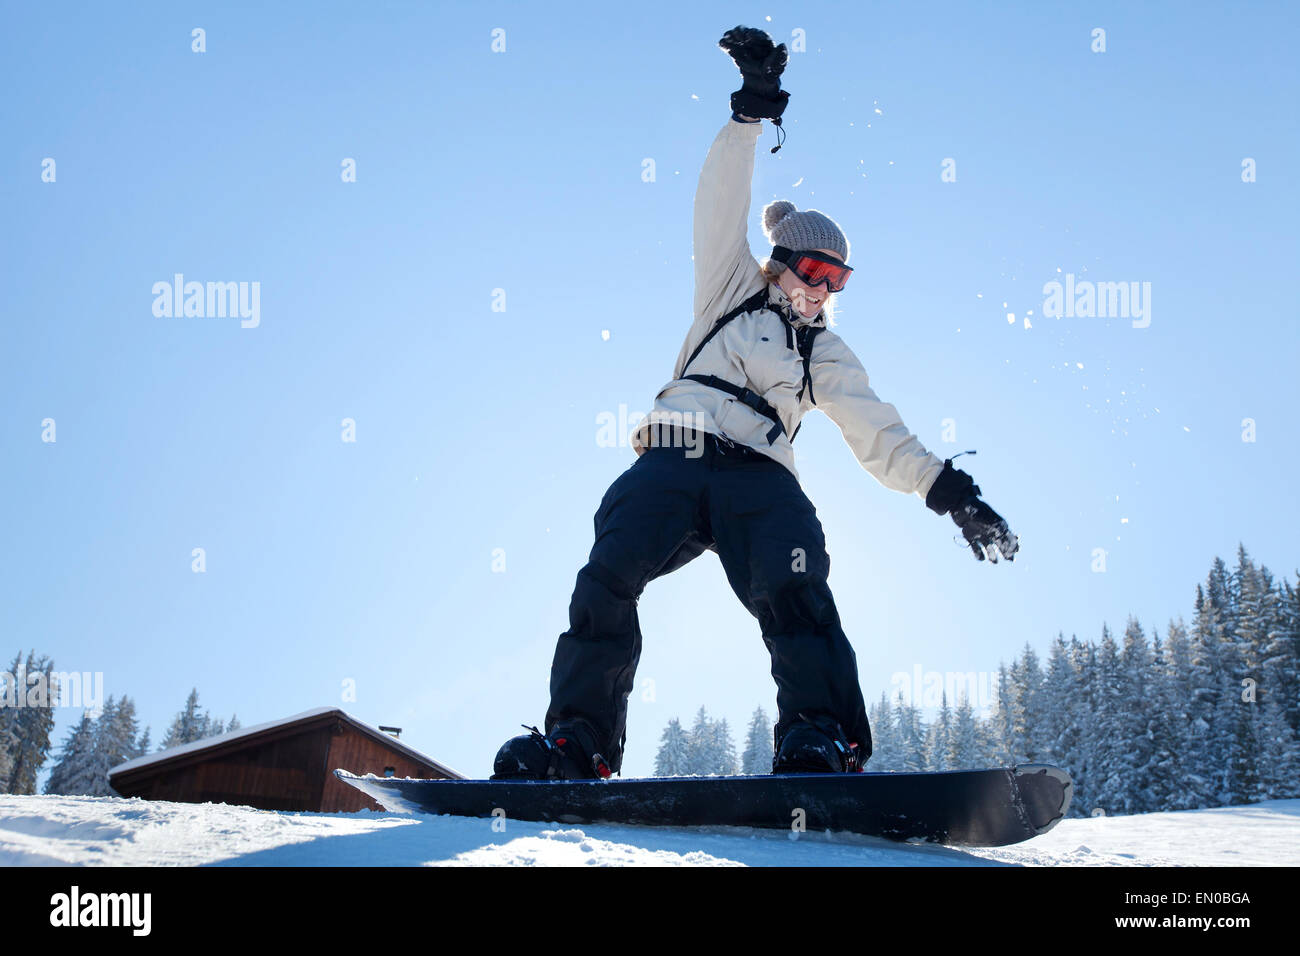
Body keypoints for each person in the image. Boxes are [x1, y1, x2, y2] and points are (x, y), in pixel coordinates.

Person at [493, 26, 1019, 780]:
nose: (819, 291)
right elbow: (718, 200)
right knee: (607, 577)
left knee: (795, 588)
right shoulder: (729, 292)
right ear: (778, 264)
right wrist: (752, 112)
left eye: (837, 282)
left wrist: (952, 493)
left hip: (761, 482)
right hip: (674, 456)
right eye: (810, 270)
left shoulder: (823, 353)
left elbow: (880, 433)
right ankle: (579, 744)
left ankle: (819, 738)